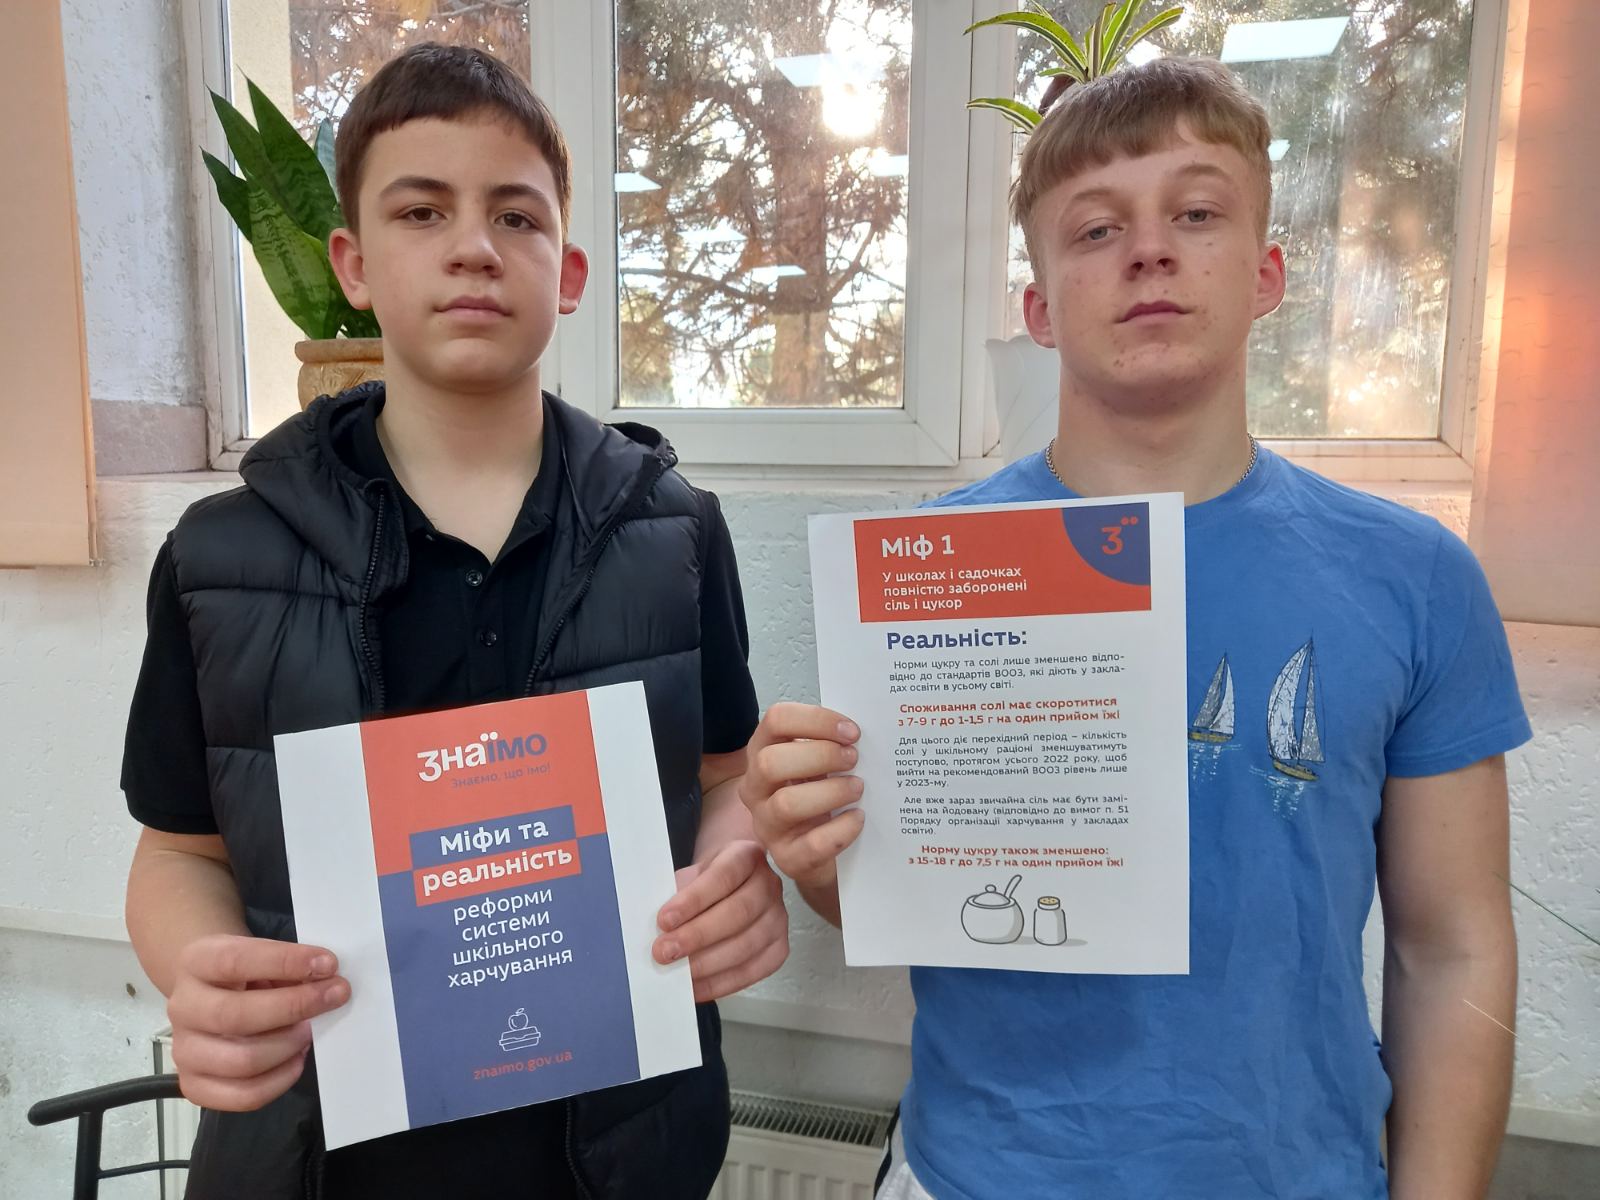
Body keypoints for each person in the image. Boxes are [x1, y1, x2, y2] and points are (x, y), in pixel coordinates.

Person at [741, 57, 1528, 1200]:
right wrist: (819, 855)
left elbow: (1449, 946)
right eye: (1096, 229)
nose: (1149, 251)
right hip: (976, 1178)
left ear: (1265, 273)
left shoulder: (1413, 578)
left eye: (1195, 213)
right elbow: (901, 905)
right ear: (1037, 309)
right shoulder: (924, 574)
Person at [120, 43, 787, 1200]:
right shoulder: (218, 559)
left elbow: (724, 779)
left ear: (567, 272)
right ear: (353, 263)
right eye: (421, 211)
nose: (474, 246)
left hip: (621, 1153)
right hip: (317, 1160)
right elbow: (179, 852)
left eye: (514, 217)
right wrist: (200, 975)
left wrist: (735, 876)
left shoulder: (676, 533)